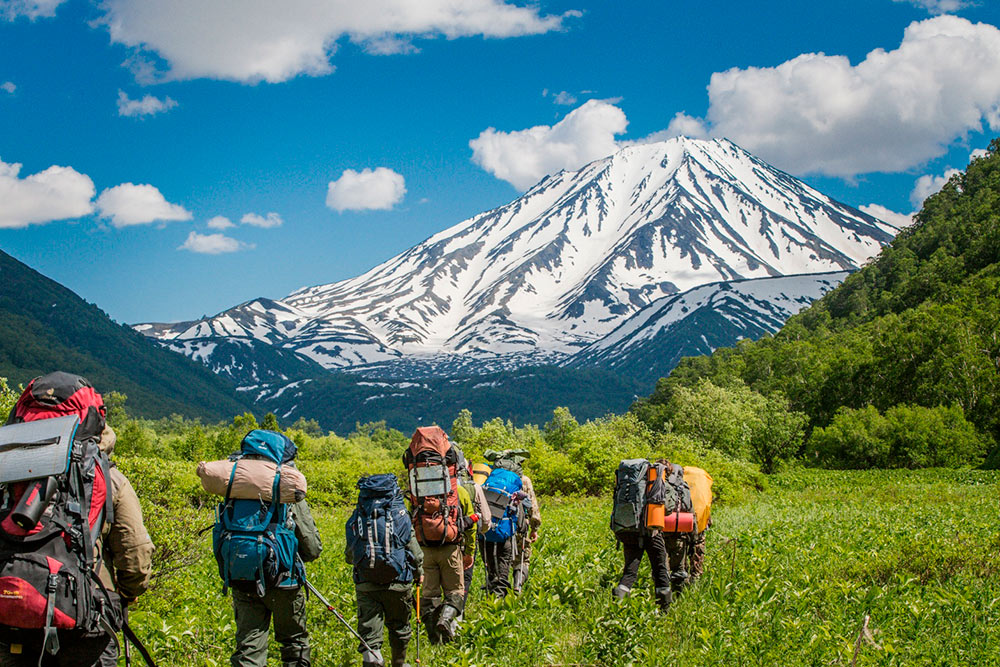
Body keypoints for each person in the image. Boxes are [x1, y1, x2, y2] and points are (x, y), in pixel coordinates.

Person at [0, 372, 154, 667]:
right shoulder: (108, 478)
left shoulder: (7, 473)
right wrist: (124, 596)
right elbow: (135, 554)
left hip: (11, 611)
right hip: (86, 619)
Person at [226, 432, 323, 667]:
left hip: (242, 576)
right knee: (294, 642)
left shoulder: (235, 489)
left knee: (248, 647)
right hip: (283, 581)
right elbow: (311, 547)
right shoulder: (286, 488)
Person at [345, 474, 423, 667]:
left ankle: (372, 658)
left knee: (369, 628)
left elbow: (350, 553)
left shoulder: (359, 514)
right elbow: (413, 549)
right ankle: (399, 662)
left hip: (366, 581)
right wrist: (418, 572)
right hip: (399, 579)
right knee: (400, 625)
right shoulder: (399, 513)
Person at [611, 459, 673, 612]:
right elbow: (669, 508)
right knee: (660, 570)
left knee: (630, 571)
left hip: (629, 529)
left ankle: (617, 609)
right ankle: (664, 611)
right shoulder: (658, 478)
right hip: (652, 532)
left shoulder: (637, 479)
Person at [418, 482, 476, 644]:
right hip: (450, 549)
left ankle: (435, 640)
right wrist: (469, 552)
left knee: (430, 595)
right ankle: (445, 620)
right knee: (455, 591)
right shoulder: (459, 491)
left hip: (426, 550)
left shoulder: (419, 491)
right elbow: (471, 524)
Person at [510, 471, 540, 594]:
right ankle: (518, 586)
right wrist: (534, 528)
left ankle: (497, 596)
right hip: (520, 525)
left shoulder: (495, 477)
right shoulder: (524, 480)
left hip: (500, 525)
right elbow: (533, 506)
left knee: (501, 558)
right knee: (522, 558)